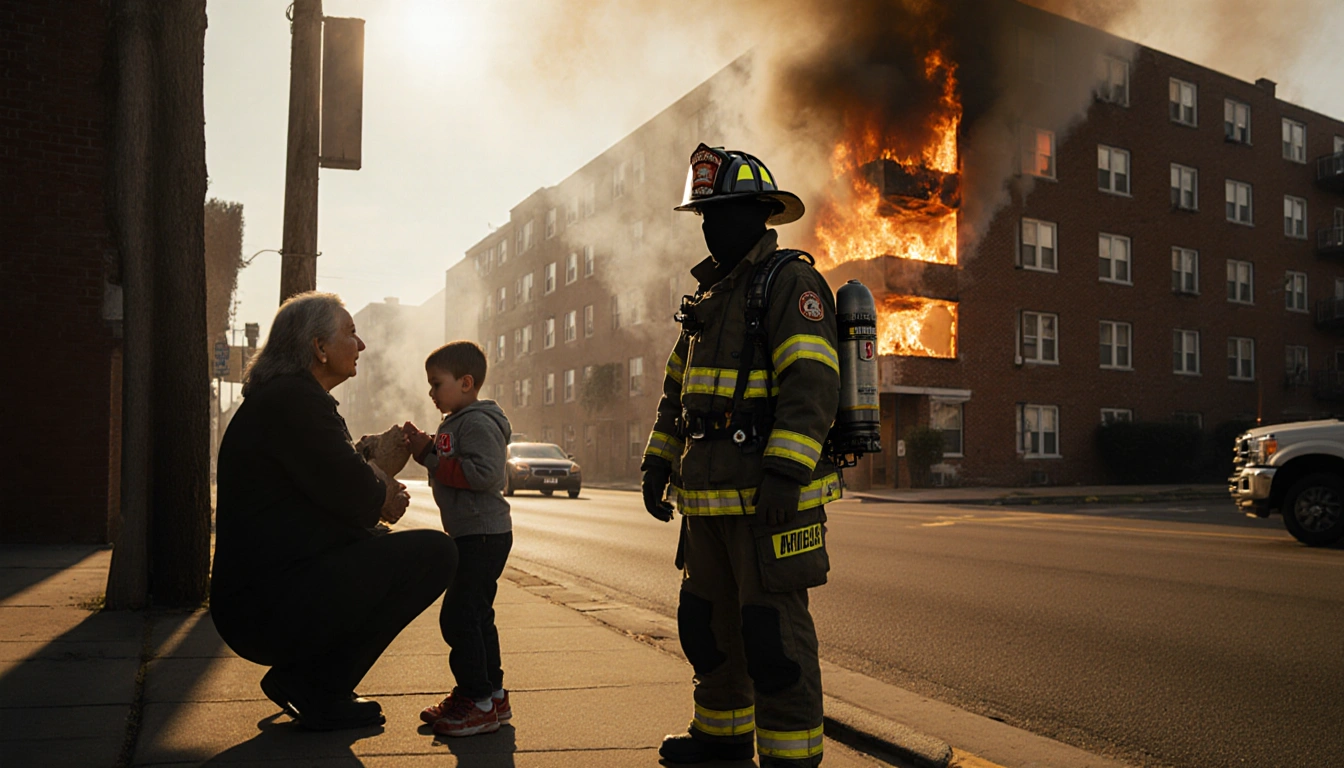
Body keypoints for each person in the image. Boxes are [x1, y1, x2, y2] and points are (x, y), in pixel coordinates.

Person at [642, 145, 842, 767]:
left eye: (722, 211)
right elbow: (677, 390)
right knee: (708, 630)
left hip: (767, 501)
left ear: (761, 212)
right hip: (707, 500)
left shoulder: (790, 282)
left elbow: (812, 385)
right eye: (703, 213)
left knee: (772, 641)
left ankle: (791, 757)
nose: (709, 225)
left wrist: (786, 473)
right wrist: (658, 459)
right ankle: (721, 740)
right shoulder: (709, 297)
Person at [210, 291, 458, 731]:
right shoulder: (295, 402)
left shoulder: (290, 400)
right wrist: (379, 485)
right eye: (351, 333)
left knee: (389, 547)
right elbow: (358, 495)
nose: (360, 345)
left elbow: (342, 494)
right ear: (318, 348)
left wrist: (372, 485)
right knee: (436, 555)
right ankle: (317, 685)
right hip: (267, 604)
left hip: (263, 594)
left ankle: (309, 679)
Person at [402, 341, 514, 737]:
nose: (431, 393)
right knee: (478, 615)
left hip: (483, 535)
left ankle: (476, 701)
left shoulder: (478, 422)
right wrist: (428, 448)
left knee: (459, 616)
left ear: (466, 383)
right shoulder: (459, 419)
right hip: (473, 534)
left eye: (437, 384)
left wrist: (431, 457)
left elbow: (485, 475)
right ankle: (492, 696)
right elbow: (450, 459)